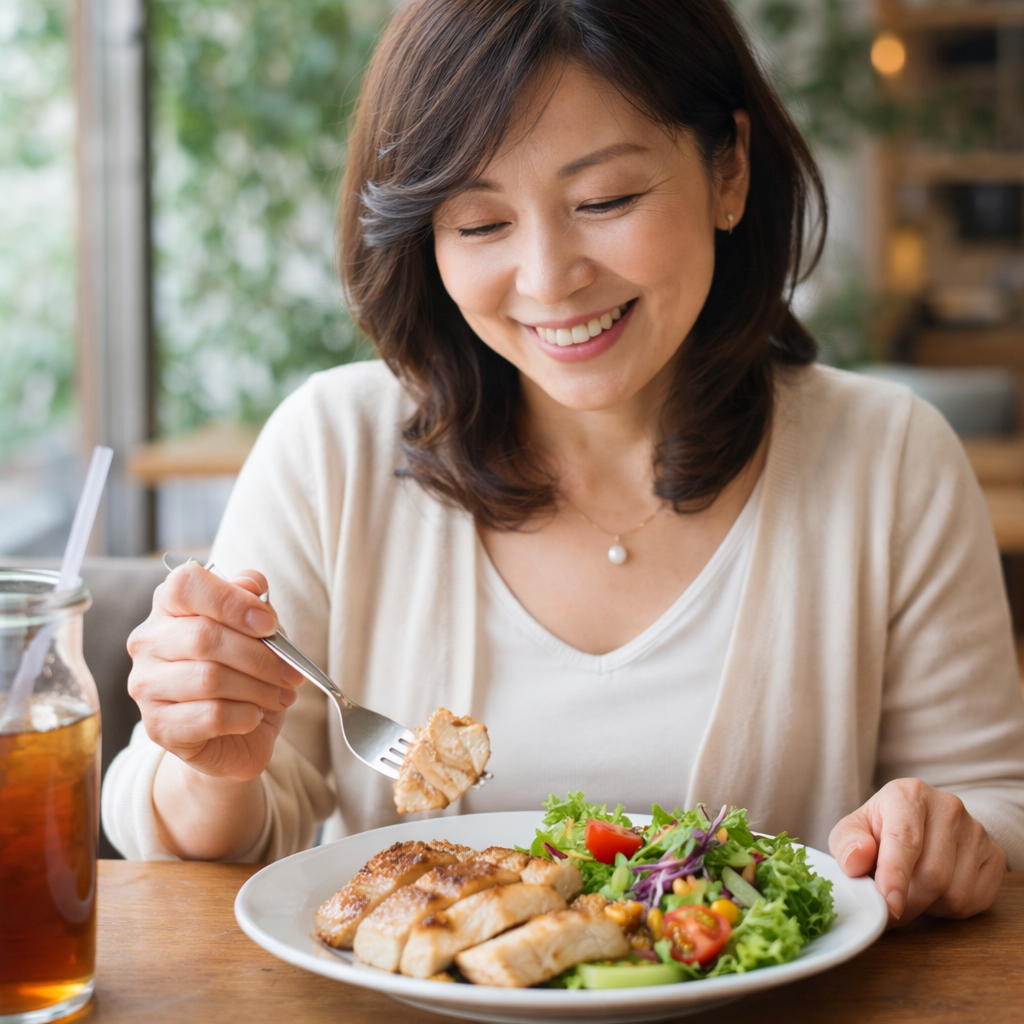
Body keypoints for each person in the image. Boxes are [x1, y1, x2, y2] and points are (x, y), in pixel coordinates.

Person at [103, 0, 1024, 927]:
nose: (548, 279)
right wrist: (208, 757)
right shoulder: (332, 446)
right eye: (477, 223)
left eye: (605, 202)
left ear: (728, 170)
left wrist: (941, 835)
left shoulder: (888, 459)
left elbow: (996, 802)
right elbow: (203, 833)